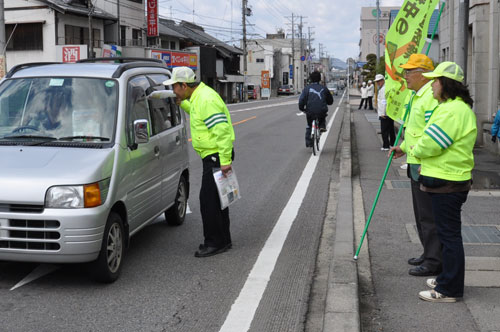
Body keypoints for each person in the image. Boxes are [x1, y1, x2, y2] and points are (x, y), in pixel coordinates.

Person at [392, 62, 476, 302]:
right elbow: (426, 135)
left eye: (436, 81)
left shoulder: (451, 111)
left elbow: (432, 142)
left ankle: (449, 289)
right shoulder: (452, 107)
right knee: (447, 234)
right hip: (447, 178)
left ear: (446, 84)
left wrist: (414, 150)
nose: (432, 85)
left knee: (449, 237)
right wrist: (407, 147)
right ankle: (446, 279)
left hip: (447, 180)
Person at [163, 66, 235, 258]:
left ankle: (214, 243)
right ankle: (223, 240)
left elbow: (222, 131)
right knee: (219, 200)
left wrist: (225, 160)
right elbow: (196, 112)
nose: (173, 91)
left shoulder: (205, 99)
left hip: (215, 156)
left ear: (184, 85)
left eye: (175, 87)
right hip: (213, 156)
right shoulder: (198, 97)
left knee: (208, 202)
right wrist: (181, 103)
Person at [390, 53, 442, 277]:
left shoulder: (430, 96)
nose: (405, 76)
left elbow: (431, 133)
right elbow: (415, 130)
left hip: (425, 165)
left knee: (429, 216)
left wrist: (416, 154)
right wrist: (403, 147)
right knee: (421, 214)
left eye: (409, 72)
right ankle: (427, 252)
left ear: (423, 74)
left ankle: (434, 260)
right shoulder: (417, 95)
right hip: (415, 161)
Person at [299, 71, 334, 147]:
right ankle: (322, 126)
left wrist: (302, 108)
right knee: (322, 117)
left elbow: (301, 100)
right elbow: (330, 101)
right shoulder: (324, 88)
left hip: (310, 112)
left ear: (311, 79)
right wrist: (328, 103)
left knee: (309, 125)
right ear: (320, 79)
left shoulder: (307, 88)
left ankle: (309, 142)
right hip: (321, 111)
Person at [374, 74, 395, 151]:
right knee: (390, 129)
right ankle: (392, 144)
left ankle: (386, 145)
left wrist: (382, 113)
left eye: (379, 81)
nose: (378, 83)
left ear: (383, 80)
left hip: (384, 113)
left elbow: (384, 102)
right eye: (377, 82)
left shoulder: (383, 89)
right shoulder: (386, 88)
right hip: (389, 112)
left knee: (384, 130)